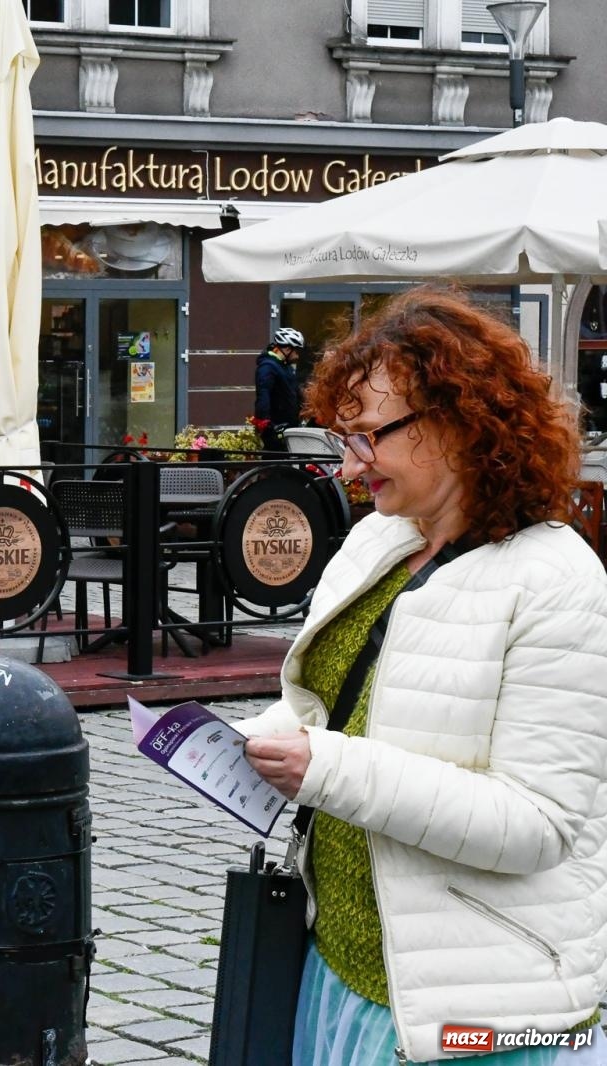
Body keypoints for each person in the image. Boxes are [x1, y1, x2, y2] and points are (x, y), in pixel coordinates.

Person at [236, 288, 607, 1064]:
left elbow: (537, 824)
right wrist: (275, 736)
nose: (347, 467)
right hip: (343, 967)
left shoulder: (558, 579)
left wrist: (328, 767)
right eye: (344, 439)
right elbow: (341, 704)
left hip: (477, 1009)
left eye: (368, 437)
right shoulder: (381, 540)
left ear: (458, 421)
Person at [254, 325, 304, 451]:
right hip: (276, 431)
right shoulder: (268, 367)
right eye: (296, 351)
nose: (298, 356)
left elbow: (294, 392)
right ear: (287, 349)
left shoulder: (284, 366)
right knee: (275, 465)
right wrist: (267, 425)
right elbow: (263, 396)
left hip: (290, 427)